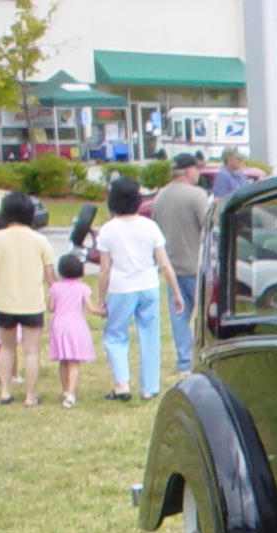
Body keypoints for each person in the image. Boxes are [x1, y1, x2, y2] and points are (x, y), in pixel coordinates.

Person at [95, 175, 183, 401]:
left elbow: (105, 270)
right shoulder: (150, 226)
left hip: (121, 287)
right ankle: (149, 387)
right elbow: (164, 263)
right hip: (148, 285)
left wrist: (100, 298)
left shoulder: (107, 230)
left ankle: (122, 383)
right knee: (150, 335)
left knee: (115, 334)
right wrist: (176, 292)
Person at [0, 190, 55, 406]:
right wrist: (55, 295)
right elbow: (50, 275)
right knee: (31, 351)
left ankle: (5, 391)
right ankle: (30, 396)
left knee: (7, 347)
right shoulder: (40, 240)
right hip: (32, 302)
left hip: (3, 301)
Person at [150, 152, 207, 374]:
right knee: (203, 315)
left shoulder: (160, 197)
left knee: (178, 315)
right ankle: (203, 354)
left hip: (171, 267)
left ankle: (184, 360)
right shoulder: (196, 195)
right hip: (196, 265)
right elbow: (209, 226)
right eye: (196, 169)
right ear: (188, 171)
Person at [48, 253, 102, 408]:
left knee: (63, 359)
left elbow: (51, 307)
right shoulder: (82, 288)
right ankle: (71, 393)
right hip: (76, 325)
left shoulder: (55, 287)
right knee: (74, 361)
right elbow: (90, 308)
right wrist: (102, 311)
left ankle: (65, 389)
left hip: (59, 324)